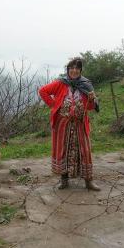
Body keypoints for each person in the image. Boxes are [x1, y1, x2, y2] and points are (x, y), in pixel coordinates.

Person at [38, 58, 101, 191]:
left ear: (80, 70)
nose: (74, 70)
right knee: (63, 151)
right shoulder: (61, 83)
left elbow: (89, 107)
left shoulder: (86, 84)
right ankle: (64, 180)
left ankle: (89, 181)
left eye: (77, 68)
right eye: (71, 68)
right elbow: (43, 91)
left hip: (80, 123)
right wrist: (54, 105)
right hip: (63, 124)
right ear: (68, 70)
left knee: (85, 151)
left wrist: (92, 100)